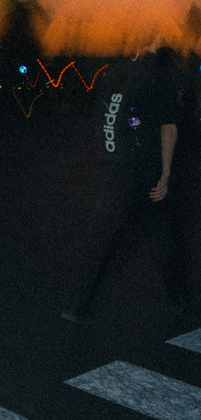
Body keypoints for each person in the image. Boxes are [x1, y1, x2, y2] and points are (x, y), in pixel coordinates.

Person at [61, 38, 190, 324]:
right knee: (164, 235)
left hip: (115, 167)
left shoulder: (118, 73)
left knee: (101, 237)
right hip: (144, 169)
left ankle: (76, 305)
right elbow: (169, 129)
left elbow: (104, 116)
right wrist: (166, 175)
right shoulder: (162, 76)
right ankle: (179, 299)